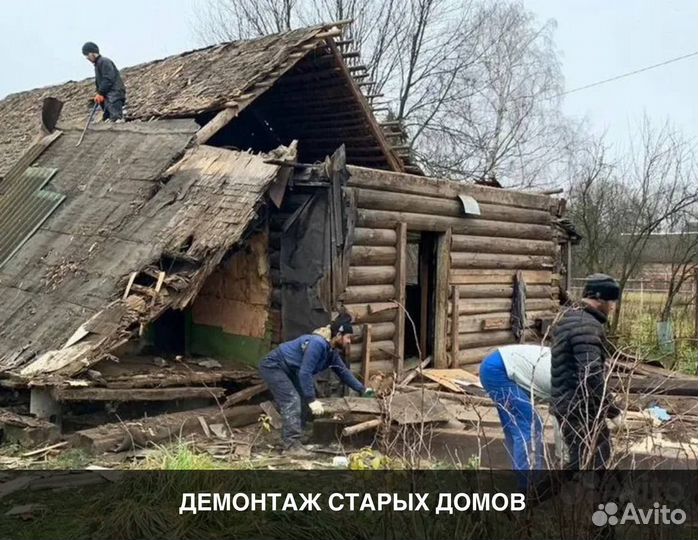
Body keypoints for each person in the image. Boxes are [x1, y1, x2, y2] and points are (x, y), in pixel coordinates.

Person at [259, 315, 374, 455]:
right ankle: (291, 446)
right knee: (292, 399)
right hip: (274, 366)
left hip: (290, 369)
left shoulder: (330, 352)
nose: (349, 342)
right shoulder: (317, 343)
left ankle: (298, 437)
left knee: (302, 397)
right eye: (348, 337)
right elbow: (305, 373)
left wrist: (363, 389)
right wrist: (312, 400)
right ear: (338, 334)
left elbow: (344, 373)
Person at [550, 273, 624, 471]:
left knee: (584, 459)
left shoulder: (569, 318)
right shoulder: (586, 326)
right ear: (599, 298)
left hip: (569, 405)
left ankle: (542, 497)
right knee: (590, 460)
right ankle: (535, 498)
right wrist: (613, 410)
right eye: (611, 301)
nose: (612, 307)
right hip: (579, 409)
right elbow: (591, 375)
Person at [479, 344, 553, 485]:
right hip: (498, 370)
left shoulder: (566, 365)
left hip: (496, 365)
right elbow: (563, 417)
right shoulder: (567, 380)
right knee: (530, 424)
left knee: (516, 427)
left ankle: (517, 477)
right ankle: (530, 486)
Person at [82, 42, 126, 121]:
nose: (87, 58)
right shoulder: (98, 64)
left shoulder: (104, 61)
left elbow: (108, 79)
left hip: (114, 96)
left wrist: (100, 93)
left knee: (116, 120)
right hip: (108, 97)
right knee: (108, 118)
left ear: (93, 53)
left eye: (87, 55)